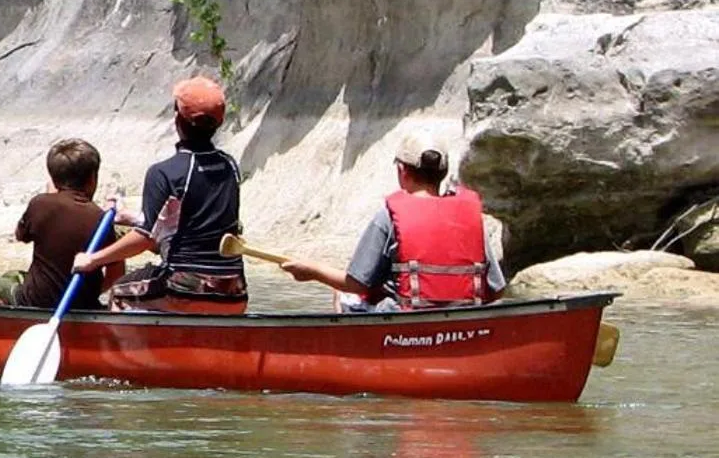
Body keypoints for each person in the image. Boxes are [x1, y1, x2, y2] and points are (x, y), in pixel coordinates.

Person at [74, 75, 248, 314]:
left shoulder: (164, 172)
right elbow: (194, 222)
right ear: (219, 122)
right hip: (235, 292)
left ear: (177, 118)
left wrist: (92, 259)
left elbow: (145, 238)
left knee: (119, 291)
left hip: (184, 290)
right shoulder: (230, 166)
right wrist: (132, 217)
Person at [277, 129, 505, 310]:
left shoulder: (388, 217)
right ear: (443, 172)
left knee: (344, 294)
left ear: (402, 170)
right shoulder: (470, 217)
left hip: (406, 326)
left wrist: (312, 271)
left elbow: (356, 283)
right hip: (462, 325)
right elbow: (496, 290)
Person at [0, 138, 122, 309]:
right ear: (92, 179)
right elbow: (116, 274)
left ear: (54, 179)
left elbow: (20, 235)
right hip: (83, 304)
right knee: (12, 275)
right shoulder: (102, 219)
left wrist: (50, 196)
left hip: (35, 301)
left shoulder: (40, 204)